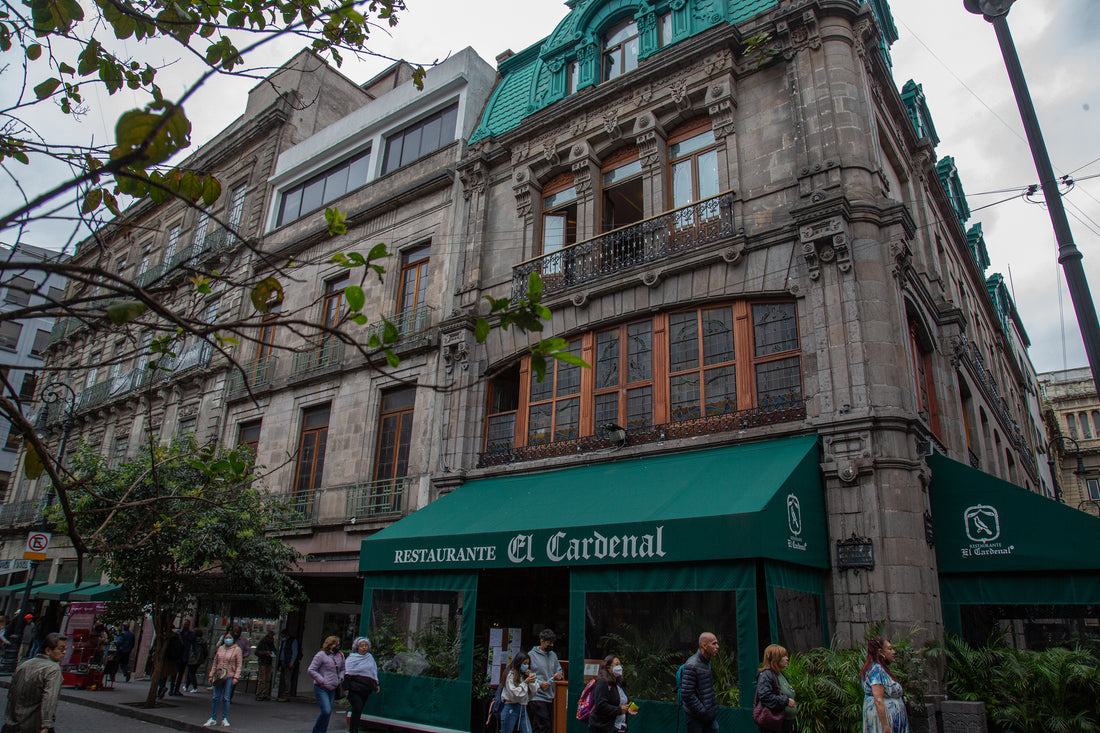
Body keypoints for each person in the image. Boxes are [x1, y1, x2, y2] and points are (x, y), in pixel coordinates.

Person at [2, 632, 65, 733]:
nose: (64, 652)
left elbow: (12, 694)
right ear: (48, 650)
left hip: (13, 725)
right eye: (61, 649)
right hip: (34, 726)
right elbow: (49, 698)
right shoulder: (53, 669)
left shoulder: (24, 665)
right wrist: (46, 725)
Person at [861, 637, 908, 733]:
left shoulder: (878, 669)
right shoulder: (876, 670)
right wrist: (886, 727)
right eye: (890, 649)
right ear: (880, 652)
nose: (893, 652)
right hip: (884, 722)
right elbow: (878, 700)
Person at [680, 632, 720, 733]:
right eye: (714, 644)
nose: (717, 647)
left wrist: (711, 710)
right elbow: (686, 693)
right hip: (695, 718)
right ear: (704, 645)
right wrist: (703, 711)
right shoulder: (692, 665)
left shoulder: (707, 663)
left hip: (709, 717)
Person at [588, 655, 638, 733]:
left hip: (620, 726)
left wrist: (630, 708)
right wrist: (619, 710)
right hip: (603, 728)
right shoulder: (602, 682)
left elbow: (623, 701)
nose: (619, 668)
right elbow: (600, 705)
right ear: (608, 668)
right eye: (616, 664)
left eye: (620, 665)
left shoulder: (619, 684)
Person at [528, 629, 564, 733]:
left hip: (550, 695)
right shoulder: (531, 655)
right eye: (549, 643)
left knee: (540, 725)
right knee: (544, 724)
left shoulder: (553, 655)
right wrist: (540, 683)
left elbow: (559, 670)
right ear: (542, 641)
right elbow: (528, 674)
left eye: (553, 643)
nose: (551, 645)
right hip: (537, 696)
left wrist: (559, 675)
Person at [308, 635, 345, 733]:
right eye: (335, 644)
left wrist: (341, 678)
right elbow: (311, 669)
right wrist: (321, 679)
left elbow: (343, 669)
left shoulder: (340, 655)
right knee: (326, 710)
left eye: (338, 644)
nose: (337, 646)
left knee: (328, 714)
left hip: (333, 688)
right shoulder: (321, 655)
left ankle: (323, 731)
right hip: (321, 687)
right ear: (329, 645)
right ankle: (316, 731)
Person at [204, 631, 243, 728]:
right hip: (219, 675)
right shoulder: (220, 648)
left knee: (226, 698)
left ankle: (224, 718)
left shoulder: (237, 650)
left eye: (229, 638)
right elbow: (215, 663)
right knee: (216, 697)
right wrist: (211, 675)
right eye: (226, 638)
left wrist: (236, 677)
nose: (227, 639)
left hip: (229, 676)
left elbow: (239, 665)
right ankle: (213, 718)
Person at [755, 644, 796, 733]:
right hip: (774, 725)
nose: (787, 659)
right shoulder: (767, 675)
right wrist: (785, 701)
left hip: (786, 723)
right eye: (783, 656)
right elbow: (765, 696)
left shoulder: (782, 675)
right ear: (776, 659)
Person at [343, 636, 380, 733]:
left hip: (365, 688)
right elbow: (347, 673)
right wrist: (346, 688)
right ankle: (353, 730)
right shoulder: (352, 658)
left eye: (366, 645)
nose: (364, 647)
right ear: (357, 647)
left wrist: (376, 683)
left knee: (359, 710)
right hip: (354, 688)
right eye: (362, 646)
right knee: (357, 707)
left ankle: (354, 728)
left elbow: (373, 671)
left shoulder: (370, 658)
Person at [500, 651, 538, 733]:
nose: (526, 666)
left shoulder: (523, 675)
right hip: (511, 707)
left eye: (527, 664)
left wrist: (531, 679)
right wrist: (525, 683)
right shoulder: (511, 675)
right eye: (524, 663)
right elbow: (515, 694)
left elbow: (533, 692)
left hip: (523, 707)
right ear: (519, 663)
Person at [159, 628, 184, 698]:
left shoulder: (165, 636)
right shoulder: (177, 636)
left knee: (160, 675)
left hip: (165, 658)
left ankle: (161, 687)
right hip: (173, 659)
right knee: (167, 675)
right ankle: (167, 689)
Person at [276, 628, 300, 701]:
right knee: (284, 677)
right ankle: (283, 691)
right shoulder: (284, 642)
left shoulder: (293, 641)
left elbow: (295, 652)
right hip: (283, 661)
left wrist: (292, 661)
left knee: (288, 677)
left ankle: (287, 692)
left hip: (288, 661)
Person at [174, 619, 196, 695]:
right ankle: (172, 689)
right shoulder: (178, 633)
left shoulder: (191, 634)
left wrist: (195, 654)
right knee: (174, 673)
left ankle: (176, 689)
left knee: (180, 674)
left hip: (185, 656)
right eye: (184, 624)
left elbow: (194, 644)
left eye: (187, 624)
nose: (185, 626)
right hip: (177, 656)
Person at [254, 630, 277, 701]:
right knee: (262, 679)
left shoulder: (271, 643)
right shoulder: (262, 643)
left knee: (267, 679)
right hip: (263, 662)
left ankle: (265, 693)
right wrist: (265, 653)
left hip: (268, 662)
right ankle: (259, 694)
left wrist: (272, 653)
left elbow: (274, 651)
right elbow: (257, 652)